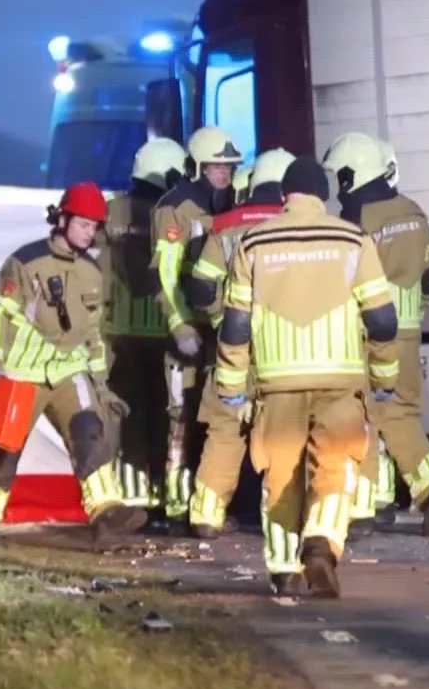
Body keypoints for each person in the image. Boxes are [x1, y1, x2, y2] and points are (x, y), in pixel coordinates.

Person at [216, 159, 399, 599]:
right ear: (324, 196)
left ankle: (283, 571)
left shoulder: (253, 242)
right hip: (339, 379)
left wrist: (230, 387)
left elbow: (235, 325)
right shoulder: (353, 240)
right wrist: (383, 377)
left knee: (280, 478)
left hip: (277, 384)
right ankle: (320, 539)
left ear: (284, 196)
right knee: (335, 469)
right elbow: (382, 320)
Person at [0, 182, 149, 545]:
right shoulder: (25, 262)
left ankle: (106, 514)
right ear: (62, 219)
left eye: (95, 226)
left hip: (69, 371)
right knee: (6, 450)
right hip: (22, 374)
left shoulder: (92, 270)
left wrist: (99, 381)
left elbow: (94, 331)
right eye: (83, 224)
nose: (89, 233)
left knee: (90, 435)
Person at [323, 133, 429, 538]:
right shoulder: (412, 211)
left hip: (367, 335)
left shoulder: (356, 219)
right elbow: (428, 274)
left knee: (361, 418)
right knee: (400, 416)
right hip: (408, 334)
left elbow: (341, 282)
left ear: (350, 174)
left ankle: (362, 509)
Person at [183, 147, 294, 538]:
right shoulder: (295, 223)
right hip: (282, 351)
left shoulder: (226, 224)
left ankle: (207, 516)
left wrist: (222, 321)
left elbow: (201, 285)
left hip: (231, 347)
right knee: (286, 429)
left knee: (224, 431)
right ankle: (280, 516)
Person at [149, 126, 244, 533]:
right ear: (198, 167)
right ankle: (175, 506)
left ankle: (214, 503)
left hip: (224, 327)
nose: (225, 173)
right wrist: (179, 325)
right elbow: (163, 275)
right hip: (188, 328)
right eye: (218, 166)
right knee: (181, 417)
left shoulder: (232, 205)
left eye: (229, 167)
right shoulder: (175, 208)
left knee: (223, 416)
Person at [102, 137, 187, 511]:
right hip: (164, 330)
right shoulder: (170, 214)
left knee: (129, 417)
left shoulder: (112, 210)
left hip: (118, 332)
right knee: (168, 417)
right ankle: (169, 499)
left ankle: (135, 498)